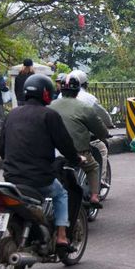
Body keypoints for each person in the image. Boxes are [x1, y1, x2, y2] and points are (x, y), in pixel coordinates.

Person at [0, 74, 80, 246]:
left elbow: (1, 147)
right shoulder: (49, 115)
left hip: (11, 178)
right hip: (39, 179)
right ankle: (62, 235)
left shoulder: (12, 114)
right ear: (46, 93)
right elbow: (65, 145)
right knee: (61, 194)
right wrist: (76, 158)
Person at [49, 75, 109, 207]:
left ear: (61, 90)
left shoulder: (50, 106)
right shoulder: (84, 107)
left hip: (52, 151)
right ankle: (94, 196)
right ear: (78, 90)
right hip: (78, 152)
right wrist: (105, 134)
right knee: (93, 167)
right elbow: (99, 127)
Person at [71, 70, 112, 185]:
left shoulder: (59, 98)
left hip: (62, 138)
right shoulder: (89, 98)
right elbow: (102, 115)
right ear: (85, 84)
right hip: (83, 138)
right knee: (102, 148)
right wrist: (109, 124)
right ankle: (101, 180)